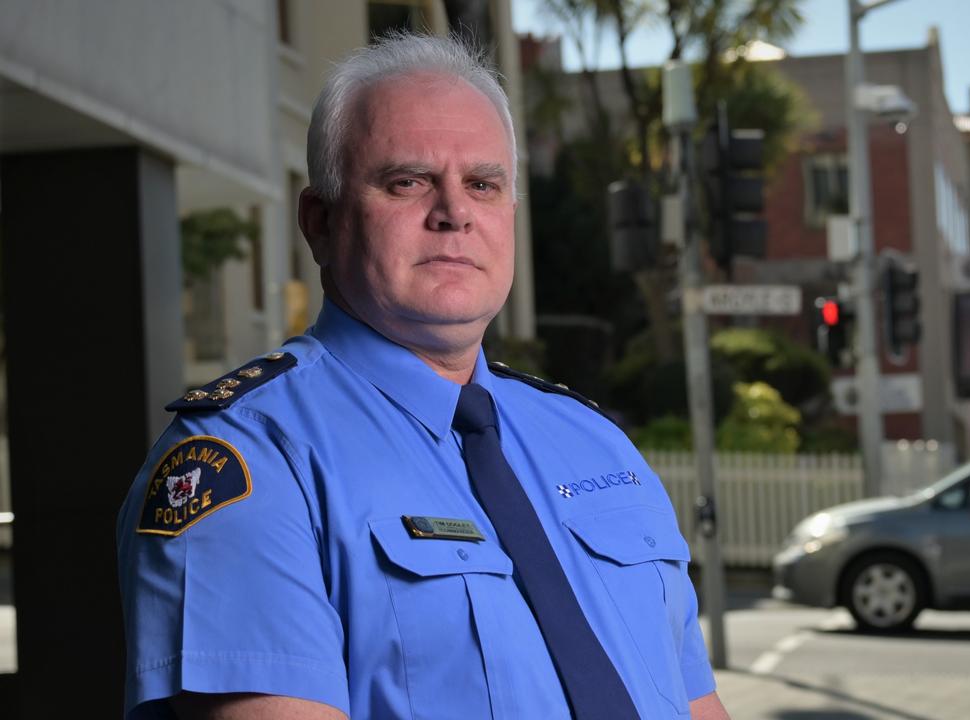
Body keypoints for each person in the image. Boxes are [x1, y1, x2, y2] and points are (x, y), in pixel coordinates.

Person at [116, 32, 728, 720]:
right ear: (319, 223)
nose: (454, 213)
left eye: (483, 184)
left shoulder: (594, 441)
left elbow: (694, 702)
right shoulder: (249, 463)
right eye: (407, 181)